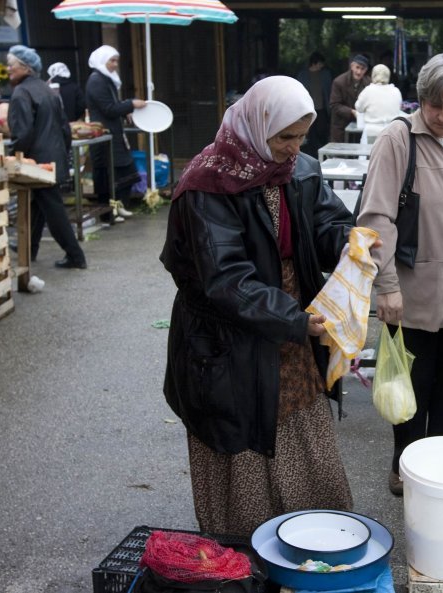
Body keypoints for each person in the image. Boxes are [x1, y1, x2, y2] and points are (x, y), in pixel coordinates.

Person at [160, 76, 359, 536]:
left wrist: (351, 243)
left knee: (301, 423)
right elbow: (224, 278)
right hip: (228, 335)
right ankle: (248, 548)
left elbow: (325, 224)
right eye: (284, 137)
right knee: (243, 434)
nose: (294, 148)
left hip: (288, 323)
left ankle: (313, 534)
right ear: (256, 125)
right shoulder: (208, 183)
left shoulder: (301, 170)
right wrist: (292, 318)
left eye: (301, 136)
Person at [357, 53, 443, 496]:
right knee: (410, 393)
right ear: (420, 100)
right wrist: (388, 286)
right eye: (434, 105)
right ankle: (406, 471)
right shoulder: (398, 141)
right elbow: (377, 217)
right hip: (413, 295)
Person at [6, 45, 87, 270]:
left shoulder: (22, 93)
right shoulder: (47, 89)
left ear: (25, 67)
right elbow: (65, 128)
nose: (8, 69)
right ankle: (28, 247)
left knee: (53, 209)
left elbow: (22, 133)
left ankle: (75, 255)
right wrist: (62, 153)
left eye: (11, 65)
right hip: (54, 157)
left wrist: (11, 156)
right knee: (39, 205)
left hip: (37, 161)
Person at [85, 45, 146, 223]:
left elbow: (114, 104)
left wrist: (125, 107)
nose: (115, 64)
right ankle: (108, 213)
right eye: (112, 60)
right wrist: (131, 104)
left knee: (125, 170)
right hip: (103, 135)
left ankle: (119, 207)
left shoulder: (106, 79)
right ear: (102, 61)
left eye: (116, 60)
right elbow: (109, 109)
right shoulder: (97, 81)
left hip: (113, 133)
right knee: (108, 175)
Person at [354, 64, 403, 144]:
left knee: (371, 155)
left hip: (372, 133)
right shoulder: (396, 91)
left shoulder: (368, 91)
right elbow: (399, 107)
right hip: (392, 133)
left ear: (373, 75)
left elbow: (358, 107)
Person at [296, 51, 332, 157]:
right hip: (308, 110)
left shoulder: (325, 74)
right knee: (310, 135)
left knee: (322, 133)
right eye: (320, 63)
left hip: (322, 109)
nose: (322, 66)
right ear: (315, 63)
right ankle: (312, 156)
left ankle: (323, 155)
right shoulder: (303, 75)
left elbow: (328, 91)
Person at [329, 54, 369, 142]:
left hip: (360, 127)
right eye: (357, 67)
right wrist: (352, 111)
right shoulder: (338, 81)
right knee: (339, 154)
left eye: (362, 69)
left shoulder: (368, 83)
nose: (359, 72)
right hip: (341, 126)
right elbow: (334, 105)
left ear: (366, 70)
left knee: (359, 153)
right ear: (352, 66)